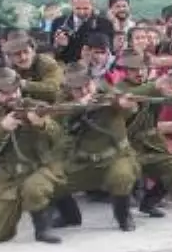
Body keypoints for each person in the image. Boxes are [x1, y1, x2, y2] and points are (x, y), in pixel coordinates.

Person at [0, 67, 64, 245]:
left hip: (40, 168)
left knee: (34, 188)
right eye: (5, 92)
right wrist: (2, 127)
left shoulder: (37, 106)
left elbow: (61, 138)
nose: (12, 95)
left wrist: (43, 125)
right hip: (9, 174)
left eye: (15, 90)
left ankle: (43, 229)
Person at [52, 64, 141, 232]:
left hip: (114, 157)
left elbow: (126, 107)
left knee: (122, 177)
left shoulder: (108, 93)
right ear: (69, 89)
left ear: (93, 81)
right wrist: (80, 105)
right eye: (78, 89)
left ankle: (123, 216)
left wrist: (125, 105)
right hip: (82, 161)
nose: (85, 91)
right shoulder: (64, 101)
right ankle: (69, 216)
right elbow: (57, 118)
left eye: (87, 85)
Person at [112, 52, 172, 218]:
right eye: (134, 70)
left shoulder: (150, 85)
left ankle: (149, 203)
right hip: (126, 145)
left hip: (151, 143)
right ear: (126, 71)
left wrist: (167, 88)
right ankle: (123, 215)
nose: (139, 73)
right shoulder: (119, 89)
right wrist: (155, 87)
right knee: (123, 176)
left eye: (142, 69)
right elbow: (131, 96)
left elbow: (168, 100)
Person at [2, 32, 63, 103]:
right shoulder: (10, 69)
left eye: (26, 52)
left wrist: (23, 84)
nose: (23, 57)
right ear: (10, 57)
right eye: (17, 54)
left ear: (33, 51)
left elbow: (54, 90)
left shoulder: (46, 63)